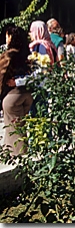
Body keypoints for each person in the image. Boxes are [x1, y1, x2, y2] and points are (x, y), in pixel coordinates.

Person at [1, 25, 33, 155]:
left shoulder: (9, 55)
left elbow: (1, 74)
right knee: (20, 125)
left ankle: (17, 156)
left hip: (12, 96)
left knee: (13, 128)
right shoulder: (27, 55)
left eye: (8, 35)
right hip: (27, 94)